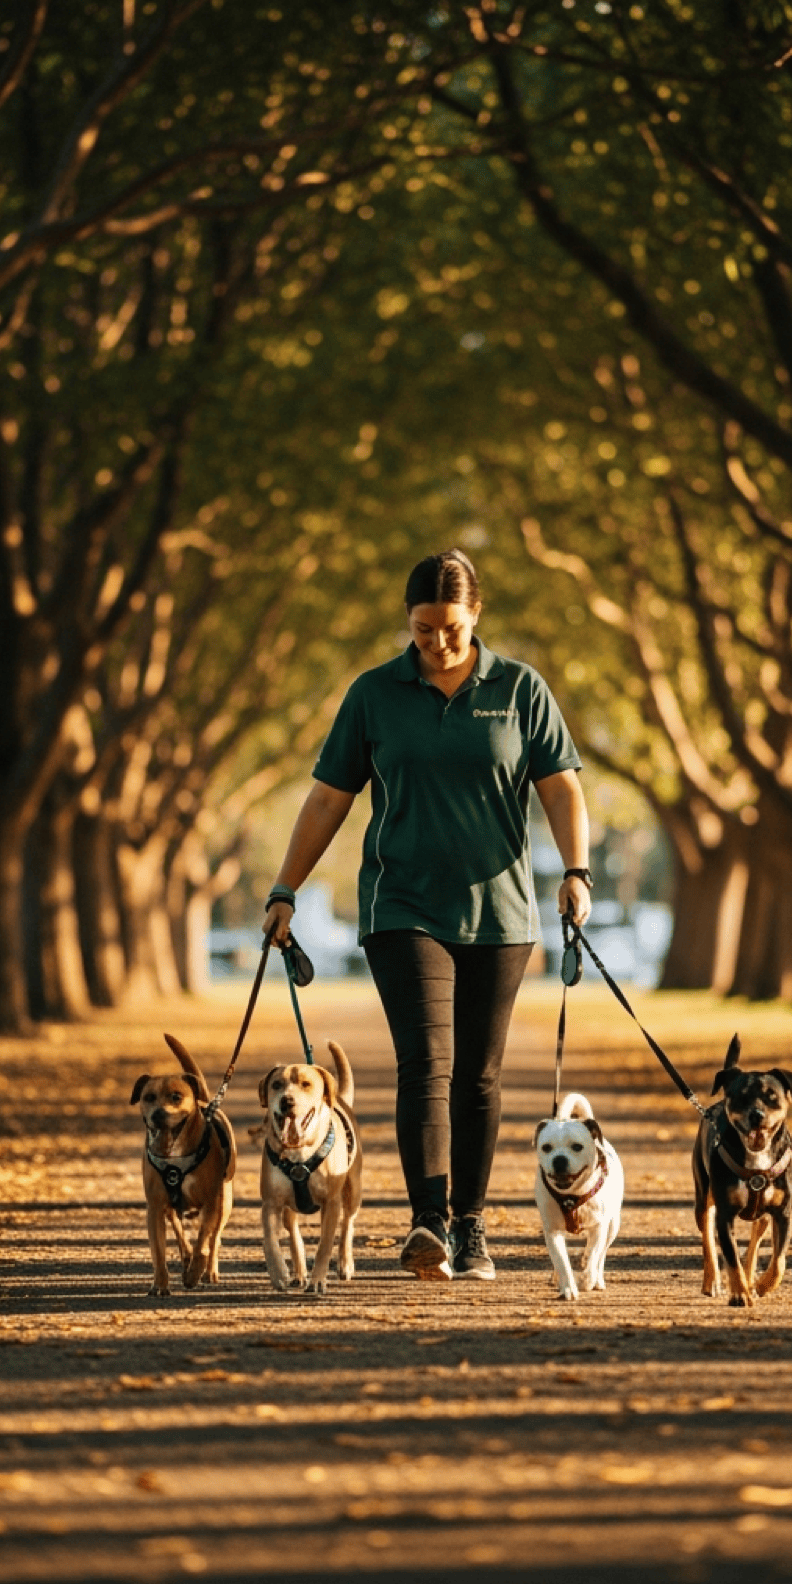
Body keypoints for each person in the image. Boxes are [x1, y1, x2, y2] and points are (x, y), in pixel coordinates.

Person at [264, 548, 592, 1282]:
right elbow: (327, 798)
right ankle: (429, 1223)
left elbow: (562, 788)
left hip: (501, 912)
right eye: (421, 629)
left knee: (478, 1074)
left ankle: (471, 1227)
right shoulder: (375, 694)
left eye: (449, 627)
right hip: (401, 905)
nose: (436, 642)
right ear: (407, 623)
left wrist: (576, 872)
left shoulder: (520, 689)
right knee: (427, 1063)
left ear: (475, 617)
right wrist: (285, 888)